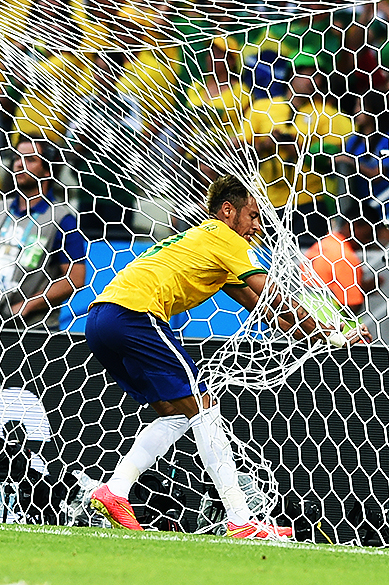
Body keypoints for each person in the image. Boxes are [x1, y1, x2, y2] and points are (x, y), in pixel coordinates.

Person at [85, 174, 371, 539]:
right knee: (204, 407)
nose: (257, 225)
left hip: (101, 320)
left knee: (177, 414)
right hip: (134, 314)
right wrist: (333, 326)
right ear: (227, 211)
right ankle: (240, 519)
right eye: (252, 216)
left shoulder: (207, 247)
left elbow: (272, 314)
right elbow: (275, 294)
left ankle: (115, 490)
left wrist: (337, 337)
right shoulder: (225, 237)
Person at [242, 55, 353, 249]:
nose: (314, 81)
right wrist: (265, 144)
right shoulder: (262, 107)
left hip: (308, 200)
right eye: (308, 74)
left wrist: (295, 147)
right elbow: (240, 149)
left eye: (319, 76)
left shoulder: (329, 114)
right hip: (267, 203)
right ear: (292, 75)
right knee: (270, 260)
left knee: (309, 260)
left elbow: (337, 155)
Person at [0, 135, 86, 329]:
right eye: (16, 158)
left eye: (30, 159)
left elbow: (75, 278)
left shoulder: (62, 219)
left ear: (48, 170)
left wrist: (28, 305)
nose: (19, 165)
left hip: (34, 329)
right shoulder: (1, 208)